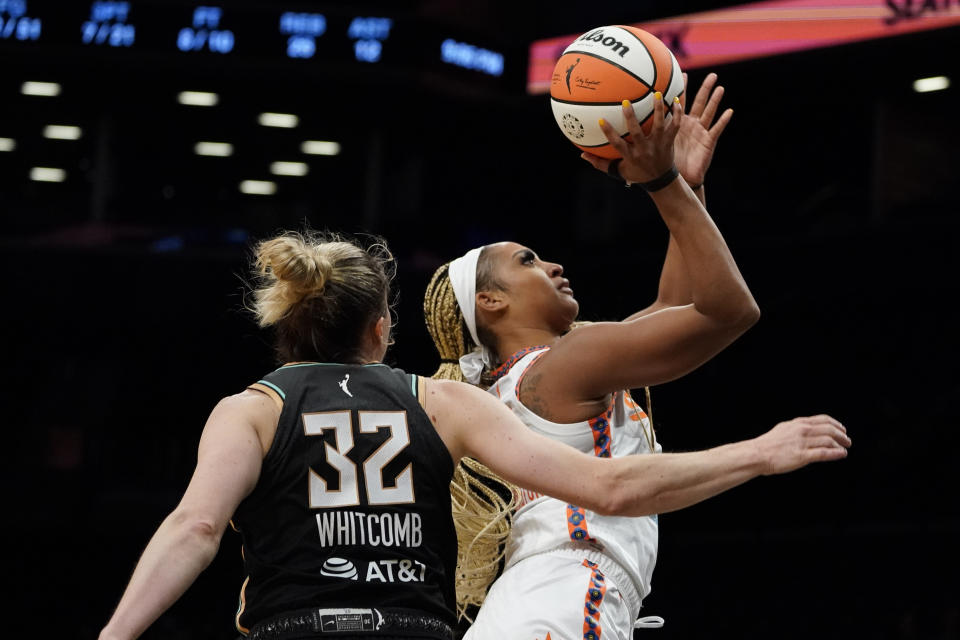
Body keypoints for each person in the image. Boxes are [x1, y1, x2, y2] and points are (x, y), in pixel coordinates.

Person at [97, 225, 849, 640]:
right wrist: (757, 452)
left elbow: (196, 527)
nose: (550, 262)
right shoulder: (447, 402)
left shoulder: (251, 406)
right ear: (382, 328)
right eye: (527, 257)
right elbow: (612, 485)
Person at [423, 74, 772, 638]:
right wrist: (660, 183)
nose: (554, 264)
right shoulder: (563, 367)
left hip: (544, 600)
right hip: (562, 597)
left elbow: (676, 306)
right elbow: (728, 310)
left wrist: (684, 186)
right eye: (528, 260)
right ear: (490, 301)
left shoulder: (538, 376)